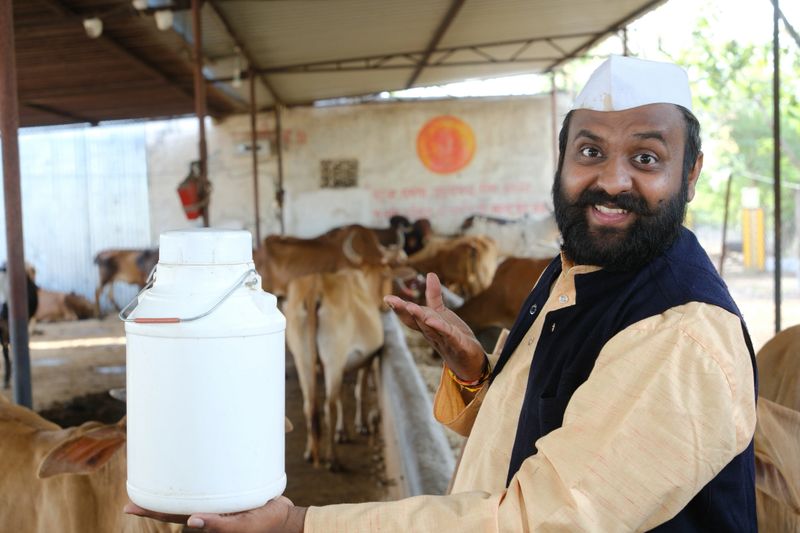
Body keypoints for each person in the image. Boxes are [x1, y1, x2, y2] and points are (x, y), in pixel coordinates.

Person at [125, 55, 757, 532]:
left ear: (691, 173)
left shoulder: (681, 334)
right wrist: (477, 373)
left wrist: (300, 524)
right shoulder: (577, 269)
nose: (612, 180)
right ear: (562, 160)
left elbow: (541, 519)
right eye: (590, 151)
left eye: (646, 158)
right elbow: (559, 432)